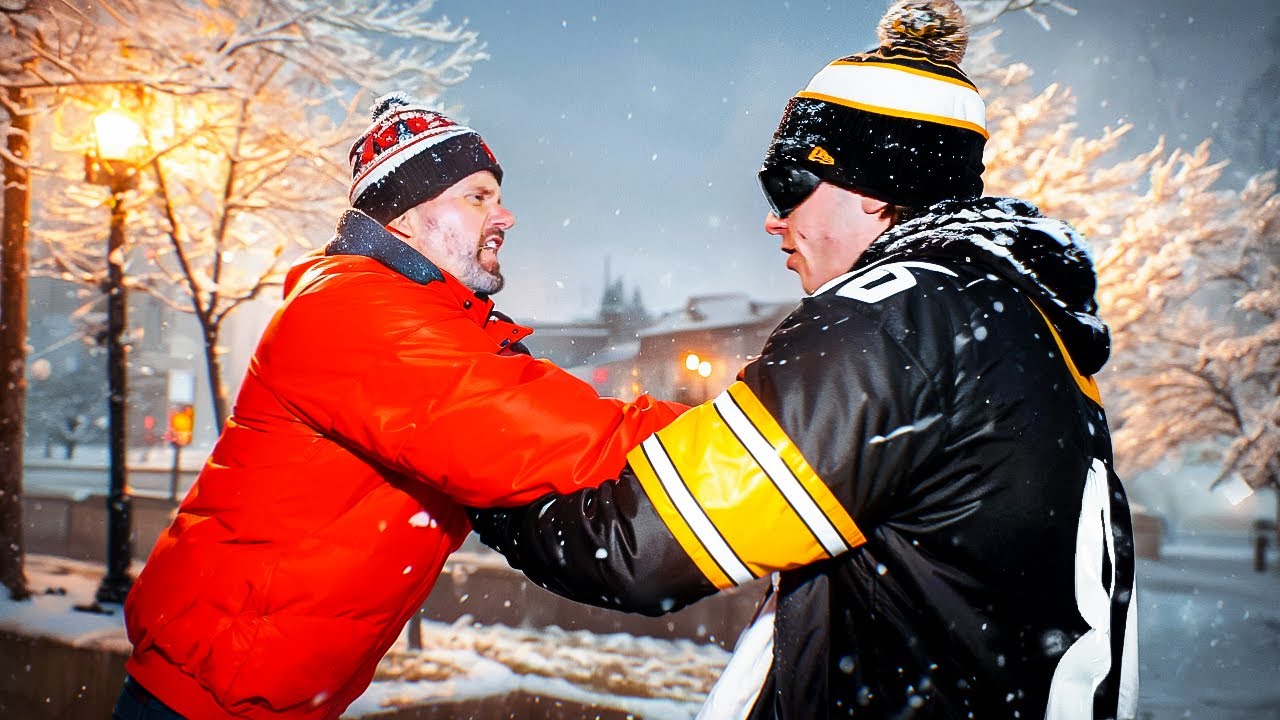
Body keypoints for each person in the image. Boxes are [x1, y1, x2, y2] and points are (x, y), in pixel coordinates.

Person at [468, 1, 1139, 718]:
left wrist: (465, 467)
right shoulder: (1022, 323)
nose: (771, 219)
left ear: (880, 188)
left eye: (788, 185)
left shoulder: (895, 318)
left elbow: (638, 545)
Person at [114, 94, 684, 720]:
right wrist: (758, 430)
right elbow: (561, 436)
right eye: (478, 196)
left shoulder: (420, 319)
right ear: (405, 220)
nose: (506, 215)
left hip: (259, 692)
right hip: (208, 699)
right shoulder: (358, 314)